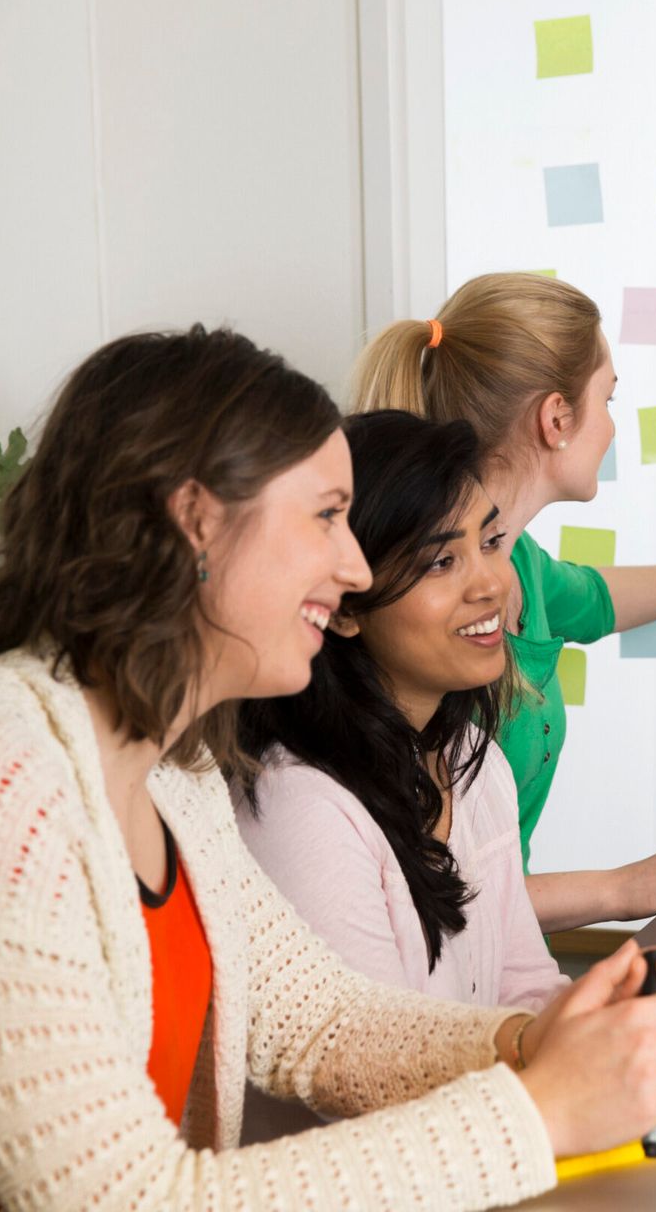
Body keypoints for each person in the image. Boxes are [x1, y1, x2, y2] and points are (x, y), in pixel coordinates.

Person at [0, 327, 656, 1209]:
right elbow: (120, 1198)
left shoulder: (177, 779)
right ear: (195, 519)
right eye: (325, 516)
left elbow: (324, 1025)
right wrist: (537, 1113)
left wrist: (542, 1039)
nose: (352, 567)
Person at [354, 272, 656, 924]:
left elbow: (601, 597)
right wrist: (630, 888)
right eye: (608, 397)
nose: (611, 426)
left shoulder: (518, 563)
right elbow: (423, 899)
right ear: (556, 418)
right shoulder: (441, 619)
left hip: (507, 970)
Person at [233, 410, 569, 1138]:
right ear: (347, 605)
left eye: (490, 542)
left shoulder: (472, 766)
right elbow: (365, 1087)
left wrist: (594, 1030)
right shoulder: (301, 804)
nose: (490, 585)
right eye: (441, 562)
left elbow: (525, 986)